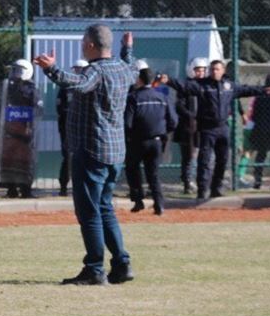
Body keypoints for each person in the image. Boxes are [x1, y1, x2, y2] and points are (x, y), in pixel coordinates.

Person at [33, 25, 136, 285]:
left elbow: (79, 83)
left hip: (92, 151)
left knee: (89, 213)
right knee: (105, 209)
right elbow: (131, 67)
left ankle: (94, 269)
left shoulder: (96, 72)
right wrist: (128, 49)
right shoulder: (123, 69)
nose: (81, 45)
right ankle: (122, 264)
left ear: (90, 45)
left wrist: (50, 69)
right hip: (115, 152)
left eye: (83, 42)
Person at [167, 59, 270, 200]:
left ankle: (216, 189)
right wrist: (168, 80)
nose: (215, 72)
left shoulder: (229, 86)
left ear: (223, 70)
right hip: (207, 129)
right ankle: (202, 191)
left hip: (223, 129)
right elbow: (183, 86)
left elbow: (246, 89)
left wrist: (265, 90)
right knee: (205, 161)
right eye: (212, 69)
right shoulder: (202, 85)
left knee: (222, 160)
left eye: (217, 69)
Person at [124, 65, 177, 215]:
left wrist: (129, 135)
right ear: (153, 80)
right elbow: (173, 121)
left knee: (132, 169)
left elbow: (127, 123)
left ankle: (138, 200)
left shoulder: (133, 98)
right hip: (157, 141)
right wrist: (163, 133)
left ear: (139, 80)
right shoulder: (162, 97)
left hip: (137, 141)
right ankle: (159, 204)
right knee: (153, 173)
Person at [1, 59, 39, 199]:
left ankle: (26, 190)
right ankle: (11, 189)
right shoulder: (9, 88)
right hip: (11, 129)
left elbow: (36, 111)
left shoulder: (31, 90)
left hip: (25, 131)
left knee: (25, 160)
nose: (14, 73)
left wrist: (30, 127)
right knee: (10, 159)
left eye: (17, 70)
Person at [172, 58, 207, 194]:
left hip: (202, 127)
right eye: (198, 70)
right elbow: (179, 105)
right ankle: (187, 182)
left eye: (203, 70)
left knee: (202, 154)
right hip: (188, 127)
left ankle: (200, 181)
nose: (201, 73)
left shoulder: (207, 86)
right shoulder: (186, 85)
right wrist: (191, 115)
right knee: (189, 156)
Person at [56, 59, 88, 196]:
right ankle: (64, 187)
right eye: (75, 69)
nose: (76, 71)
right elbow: (59, 108)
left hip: (85, 128)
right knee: (68, 157)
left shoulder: (89, 85)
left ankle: (82, 187)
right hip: (68, 128)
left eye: (79, 69)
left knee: (86, 158)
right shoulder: (66, 87)